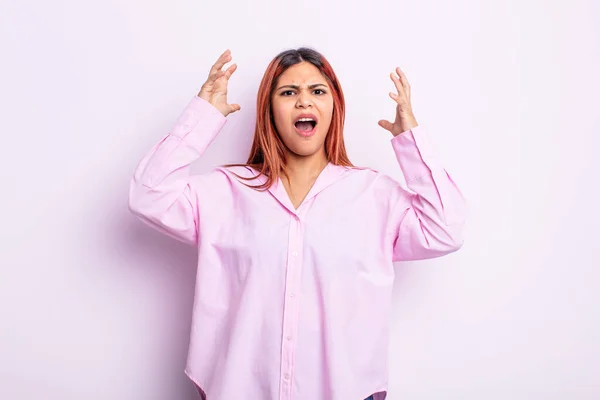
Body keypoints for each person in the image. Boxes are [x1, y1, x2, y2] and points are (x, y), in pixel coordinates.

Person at [128, 47, 467, 400]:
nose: (304, 102)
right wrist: (202, 117)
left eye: (317, 91)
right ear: (269, 109)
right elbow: (148, 195)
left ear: (334, 106)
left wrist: (411, 139)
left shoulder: (374, 195)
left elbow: (446, 228)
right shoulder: (225, 192)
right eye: (288, 92)